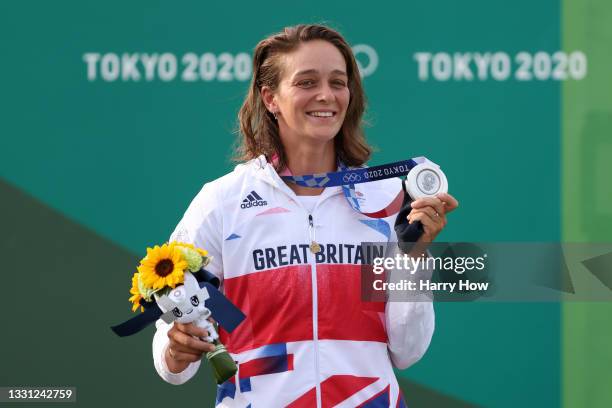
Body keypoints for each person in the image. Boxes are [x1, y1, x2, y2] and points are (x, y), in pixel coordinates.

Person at [152, 24, 458, 407]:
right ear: (270, 98)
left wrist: (412, 260)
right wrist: (173, 347)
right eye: (307, 82)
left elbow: (407, 350)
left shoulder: (385, 201)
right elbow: (176, 340)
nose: (326, 95)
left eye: (338, 82)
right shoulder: (223, 202)